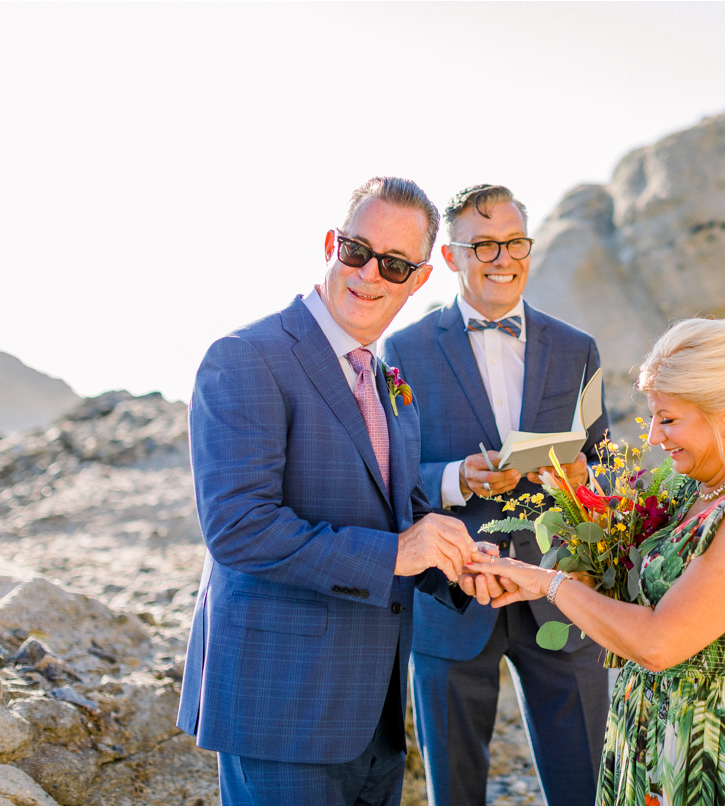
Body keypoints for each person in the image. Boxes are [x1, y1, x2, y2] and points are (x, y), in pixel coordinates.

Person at [176, 176, 495, 806]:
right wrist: (399, 553)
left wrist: (463, 565)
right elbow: (239, 526)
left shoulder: (388, 380)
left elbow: (398, 513)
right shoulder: (247, 356)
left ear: (419, 279)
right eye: (357, 251)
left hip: (373, 711)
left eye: (395, 263)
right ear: (332, 243)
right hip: (281, 704)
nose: (371, 273)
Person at [467, 317, 725, 806]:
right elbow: (630, 588)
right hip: (655, 736)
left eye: (669, 418)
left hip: (718, 750)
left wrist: (548, 583)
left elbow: (659, 643)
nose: (656, 437)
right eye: (654, 417)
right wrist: (561, 528)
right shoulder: (693, 486)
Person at [383, 183, 611, 805]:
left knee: (587, 784)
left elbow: (606, 464)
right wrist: (455, 477)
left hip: (561, 595)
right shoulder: (402, 350)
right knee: (453, 792)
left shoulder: (577, 349)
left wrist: (579, 479)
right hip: (453, 595)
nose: (500, 257)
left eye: (513, 242)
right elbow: (386, 473)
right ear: (452, 257)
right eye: (481, 245)